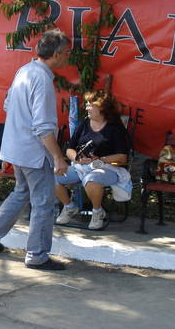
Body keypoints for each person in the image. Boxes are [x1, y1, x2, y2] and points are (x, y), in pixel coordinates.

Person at [0, 29, 70, 270]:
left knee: (21, 193)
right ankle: (37, 255)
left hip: (16, 148)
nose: (68, 58)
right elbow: (43, 126)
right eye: (67, 53)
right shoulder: (42, 79)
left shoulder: (25, 71)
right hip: (33, 152)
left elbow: (8, 104)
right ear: (57, 54)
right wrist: (57, 156)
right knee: (43, 203)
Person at [55, 90, 131, 230]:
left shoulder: (115, 127)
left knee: (92, 179)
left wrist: (100, 159)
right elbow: (69, 149)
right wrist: (77, 159)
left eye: (90, 105)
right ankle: (69, 207)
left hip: (109, 168)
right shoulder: (84, 123)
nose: (87, 108)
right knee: (52, 176)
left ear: (101, 107)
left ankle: (97, 212)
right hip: (81, 167)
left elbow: (122, 157)